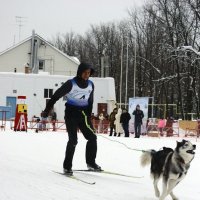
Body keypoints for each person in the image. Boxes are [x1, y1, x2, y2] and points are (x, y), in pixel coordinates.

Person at [42, 62, 101, 176]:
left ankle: (91, 163)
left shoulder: (91, 85)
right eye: (84, 72)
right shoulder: (71, 84)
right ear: (80, 72)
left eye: (88, 73)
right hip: (71, 114)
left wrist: (88, 115)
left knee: (92, 137)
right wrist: (47, 110)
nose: (86, 75)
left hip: (83, 115)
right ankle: (67, 167)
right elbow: (55, 96)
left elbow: (90, 101)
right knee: (73, 141)